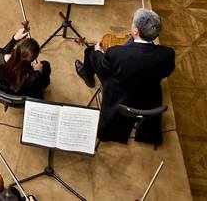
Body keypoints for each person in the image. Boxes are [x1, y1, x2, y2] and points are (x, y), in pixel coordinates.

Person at [75, 8, 175, 144]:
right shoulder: (167, 54)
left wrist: (98, 52)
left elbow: (103, 69)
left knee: (90, 51)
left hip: (120, 97)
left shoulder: (116, 53)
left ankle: (88, 76)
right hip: (149, 98)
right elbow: (166, 72)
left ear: (136, 32)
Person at [0, 26, 50, 99]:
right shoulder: (31, 77)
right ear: (32, 60)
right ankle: (43, 89)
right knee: (46, 65)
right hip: (18, 94)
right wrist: (38, 71)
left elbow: (4, 51)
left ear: (16, 48)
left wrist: (14, 39)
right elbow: (35, 79)